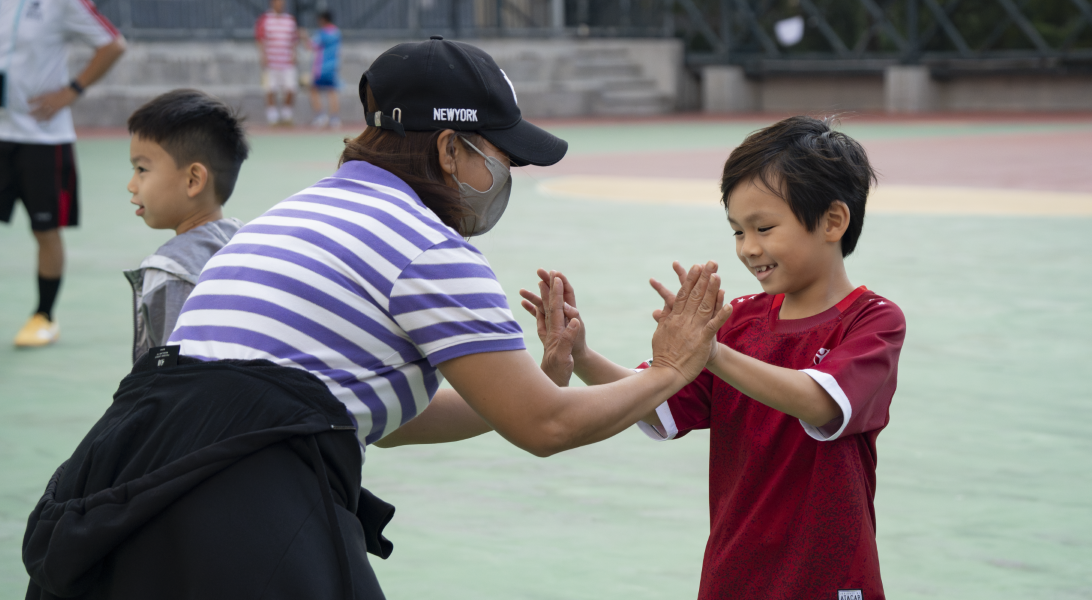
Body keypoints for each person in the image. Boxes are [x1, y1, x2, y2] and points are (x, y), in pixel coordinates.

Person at [19, 38, 732, 598]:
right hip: (237, 498)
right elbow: (544, 429)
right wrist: (672, 369)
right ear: (450, 148)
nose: (506, 174)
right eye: (500, 153)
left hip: (116, 481)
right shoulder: (429, 248)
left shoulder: (293, 214)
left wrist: (530, 382)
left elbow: (381, 421)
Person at [521, 116, 906, 600]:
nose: (748, 249)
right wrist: (581, 354)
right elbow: (654, 397)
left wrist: (709, 352)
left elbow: (820, 402)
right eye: (736, 232)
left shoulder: (873, 321)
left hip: (829, 579)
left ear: (833, 221)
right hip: (734, 575)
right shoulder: (738, 321)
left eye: (763, 227)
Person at [1, 0, 125, 347]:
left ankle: (44, 316)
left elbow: (113, 44)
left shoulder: (63, 3)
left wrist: (72, 90)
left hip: (42, 136)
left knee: (45, 229)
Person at [122, 90, 249, 363]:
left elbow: (173, 380)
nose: (131, 185)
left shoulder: (171, 271)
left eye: (142, 169)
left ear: (193, 180)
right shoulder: (246, 241)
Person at [255, 0, 299, 126]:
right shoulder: (265, 19)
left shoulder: (290, 20)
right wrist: (262, 55)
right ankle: (273, 118)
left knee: (291, 88)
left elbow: (294, 39)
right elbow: (260, 39)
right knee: (270, 89)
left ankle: (287, 116)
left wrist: (294, 54)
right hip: (271, 62)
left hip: (287, 63)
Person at [307, 10, 341, 128]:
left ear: (322, 20)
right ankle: (335, 119)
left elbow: (310, 45)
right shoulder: (336, 32)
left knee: (313, 89)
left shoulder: (321, 33)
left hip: (321, 68)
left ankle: (320, 116)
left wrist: (303, 36)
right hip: (333, 67)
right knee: (332, 91)